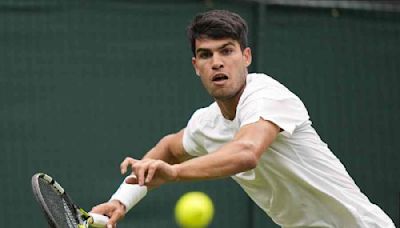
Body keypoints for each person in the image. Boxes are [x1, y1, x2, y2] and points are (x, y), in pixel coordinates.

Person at [91, 9, 395, 228]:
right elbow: (169, 147)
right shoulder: (206, 123)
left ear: (246, 57)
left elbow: (246, 153)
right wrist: (121, 201)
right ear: (196, 66)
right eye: (207, 55)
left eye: (227, 51)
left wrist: (174, 173)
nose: (218, 62)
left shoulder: (267, 94)